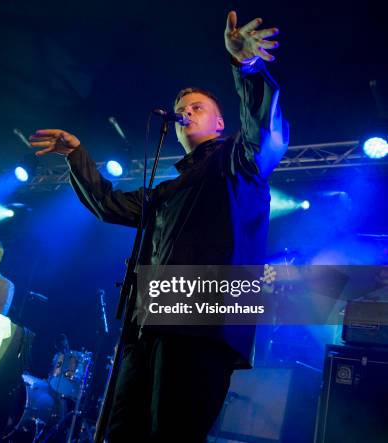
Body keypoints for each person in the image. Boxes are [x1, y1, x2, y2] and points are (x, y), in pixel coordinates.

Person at [29, 10, 289, 443]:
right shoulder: (168, 190)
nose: (186, 113)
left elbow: (267, 135)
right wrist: (77, 155)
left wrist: (247, 68)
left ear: (220, 122)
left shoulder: (237, 163)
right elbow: (109, 203)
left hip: (202, 319)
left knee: (172, 432)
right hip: (148, 324)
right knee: (121, 431)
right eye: (181, 109)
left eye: (197, 108)